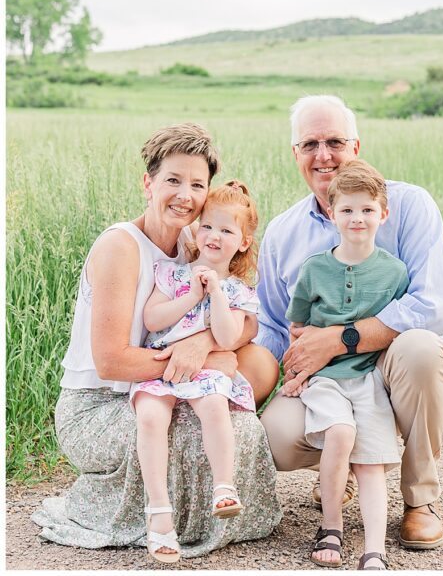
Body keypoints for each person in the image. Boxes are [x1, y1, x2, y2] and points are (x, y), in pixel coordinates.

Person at [32, 124, 281, 558]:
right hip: (97, 404)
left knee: (249, 382)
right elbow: (111, 364)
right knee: (192, 431)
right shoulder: (121, 247)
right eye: (173, 180)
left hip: (164, 385)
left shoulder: (192, 243)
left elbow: (248, 324)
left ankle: (221, 507)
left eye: (197, 184)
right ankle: (159, 516)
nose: (184, 194)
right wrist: (202, 364)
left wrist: (204, 342)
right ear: (148, 183)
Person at [255, 95, 443, 550]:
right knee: (277, 437)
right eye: (309, 144)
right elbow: (269, 321)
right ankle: (340, 469)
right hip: (327, 378)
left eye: (335, 142)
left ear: (357, 146)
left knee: (422, 351)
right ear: (295, 154)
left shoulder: (407, 205)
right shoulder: (283, 233)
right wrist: (233, 373)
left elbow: (436, 306)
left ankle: (419, 499)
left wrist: (340, 339)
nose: (323, 155)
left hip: (393, 362)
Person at [281, 160, 408, 569]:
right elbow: (297, 324)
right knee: (340, 431)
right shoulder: (315, 269)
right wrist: (298, 372)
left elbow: (393, 328)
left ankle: (375, 551)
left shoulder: (394, 272)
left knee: (370, 463)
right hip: (325, 380)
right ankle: (331, 527)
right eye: (348, 210)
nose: (358, 218)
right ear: (332, 214)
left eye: (367, 210)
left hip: (368, 378)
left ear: (382, 214)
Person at [131, 181, 261, 562]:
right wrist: (190, 293)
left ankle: (224, 486)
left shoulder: (237, 290)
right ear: (195, 230)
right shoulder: (171, 274)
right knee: (151, 416)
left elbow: (227, 336)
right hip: (160, 363)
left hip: (205, 370)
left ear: (242, 243)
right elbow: (152, 319)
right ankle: (159, 513)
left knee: (214, 406)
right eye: (207, 226)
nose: (214, 236)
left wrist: (216, 292)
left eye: (226, 230)